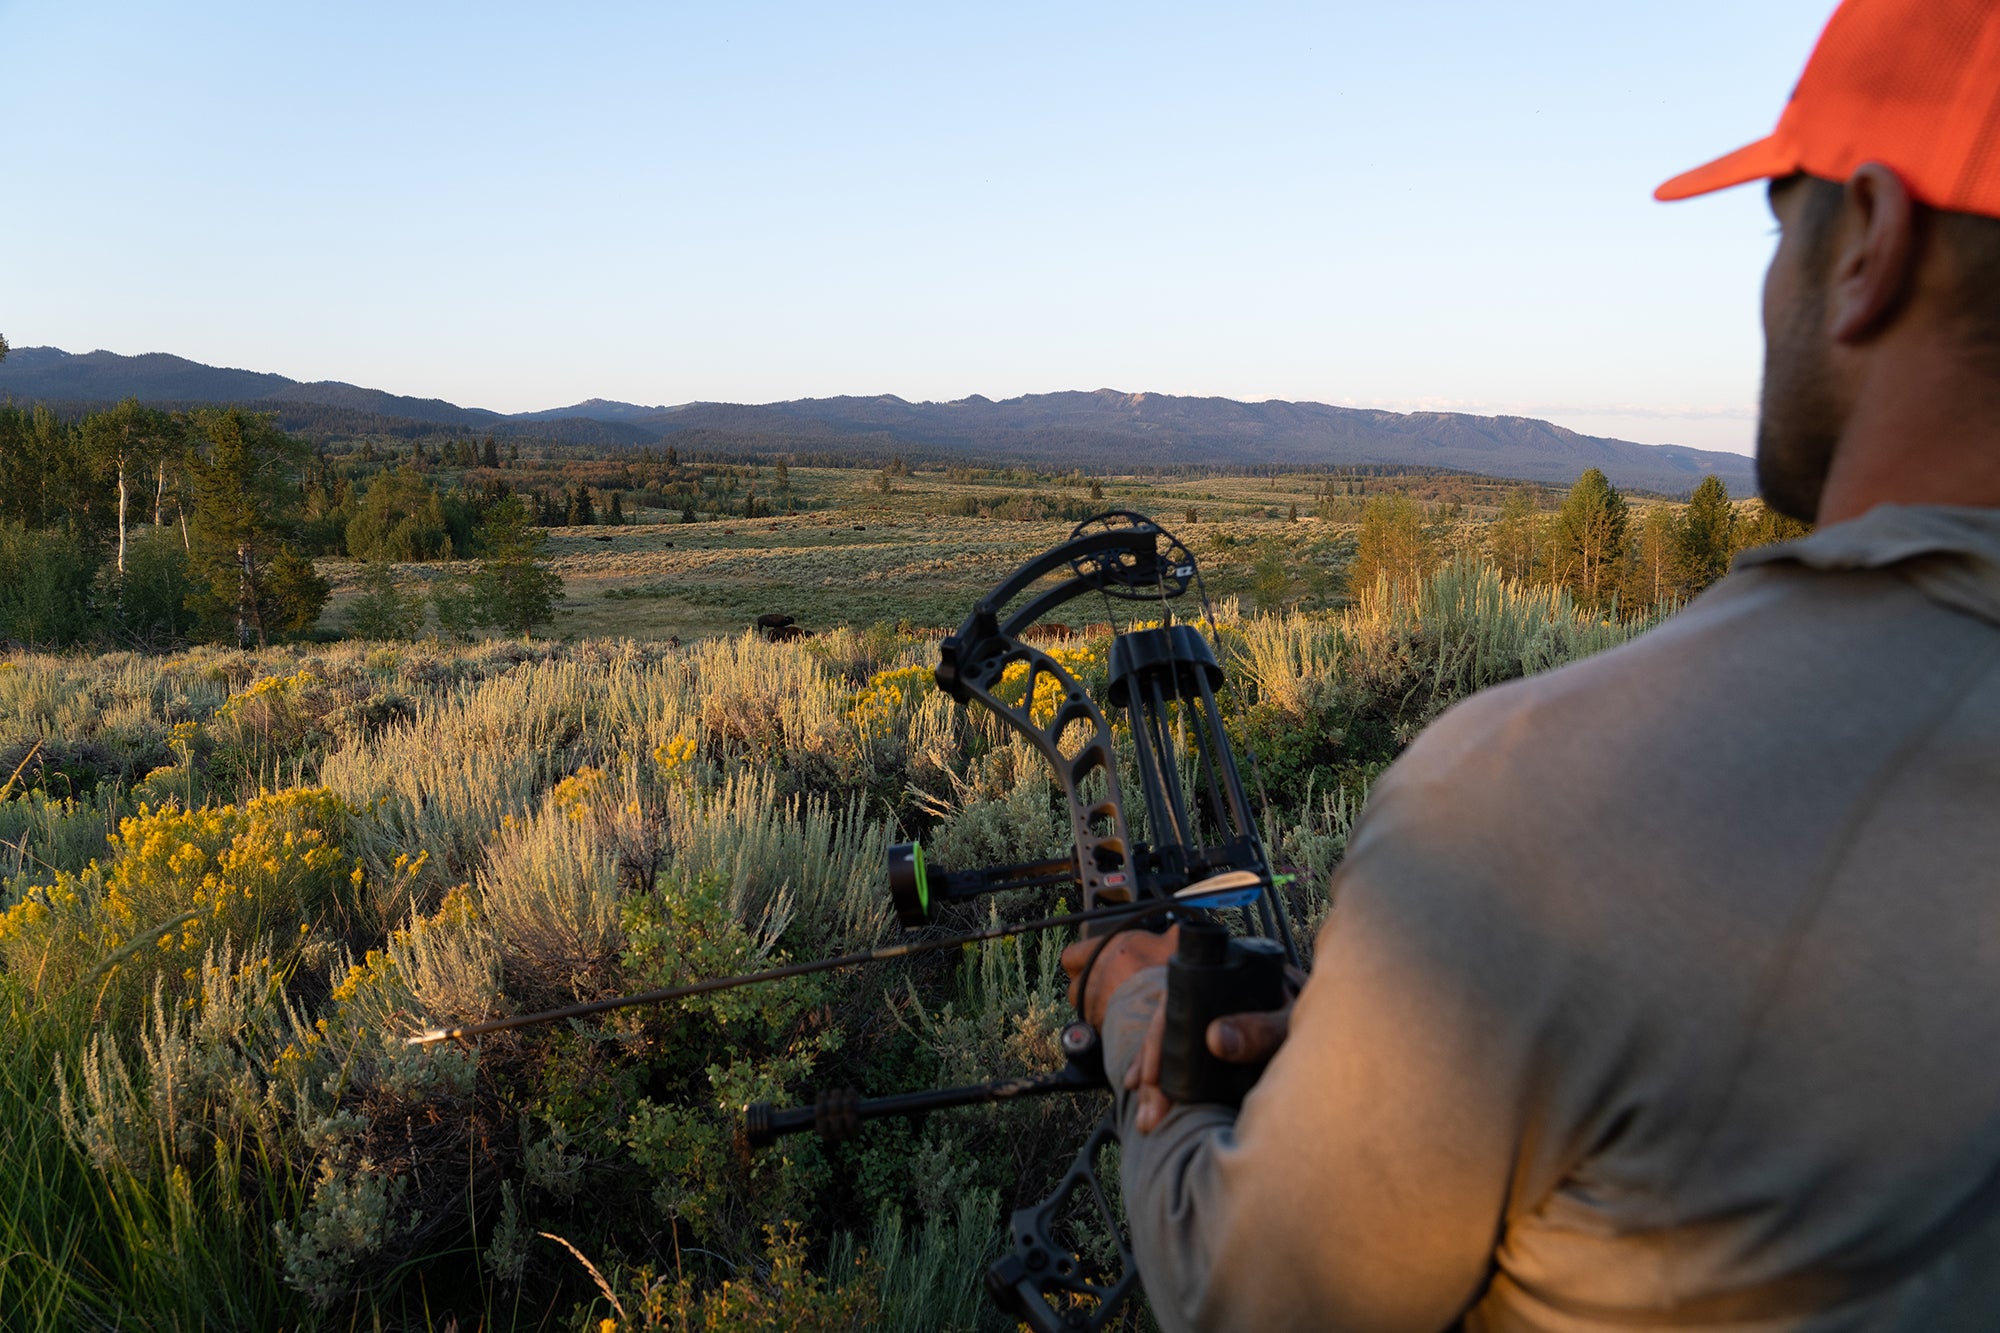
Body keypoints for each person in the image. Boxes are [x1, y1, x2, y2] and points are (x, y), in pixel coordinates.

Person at [1062, 1, 2000, 1327]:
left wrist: (1136, 1000)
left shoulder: (1540, 803)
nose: (1773, 282)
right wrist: (1384, 1052)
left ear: (1875, 248)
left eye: (1784, 222)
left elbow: (1248, 1292)